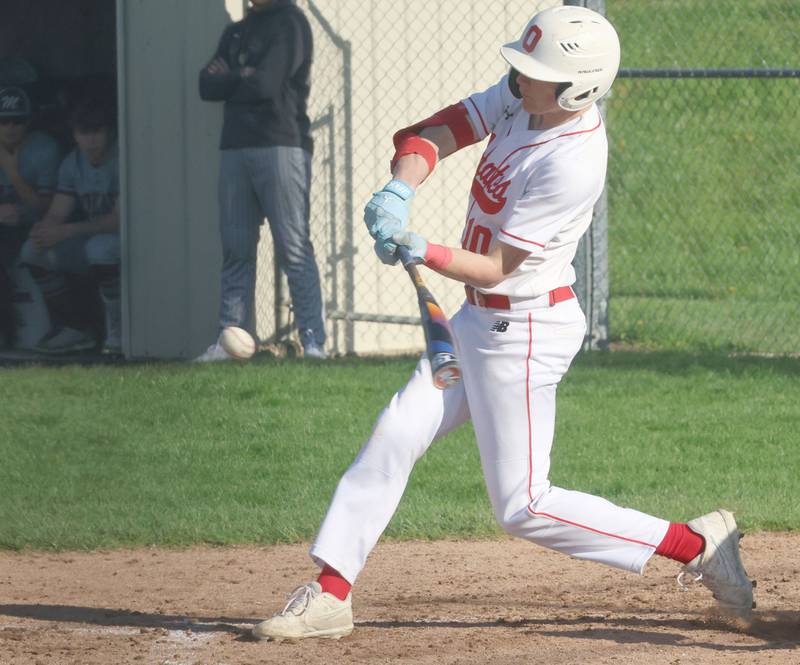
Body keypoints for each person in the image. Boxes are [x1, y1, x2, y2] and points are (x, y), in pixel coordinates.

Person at [251, 6, 755, 641]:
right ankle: (330, 592)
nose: (518, 76)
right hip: (476, 323)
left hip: (523, 333)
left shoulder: (572, 161)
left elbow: (493, 267)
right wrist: (401, 188)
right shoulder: (526, 97)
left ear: (579, 86)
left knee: (522, 506)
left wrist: (421, 248)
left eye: (535, 70)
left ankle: (699, 545)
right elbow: (444, 128)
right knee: (396, 432)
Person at [196, 0, 326, 362]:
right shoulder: (235, 31)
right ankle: (227, 342)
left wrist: (232, 77)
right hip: (235, 146)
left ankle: (314, 342)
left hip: (281, 144)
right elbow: (205, 85)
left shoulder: (290, 24)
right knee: (236, 247)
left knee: (293, 247)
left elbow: (267, 85)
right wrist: (244, 74)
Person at [20, 98, 121, 355]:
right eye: (84, 133)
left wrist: (65, 230)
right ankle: (74, 327)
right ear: (74, 134)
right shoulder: (72, 162)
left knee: (99, 248)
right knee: (33, 250)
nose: (91, 140)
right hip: (90, 238)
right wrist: (44, 229)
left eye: (96, 131)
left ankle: (118, 330)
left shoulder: (121, 157)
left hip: (124, 240)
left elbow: (118, 220)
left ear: (108, 131)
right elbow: (57, 212)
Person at [0, 85, 61, 348]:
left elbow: (46, 209)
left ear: (29, 121)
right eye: (3, 120)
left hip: (35, 227)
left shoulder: (44, 148)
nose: (10, 127)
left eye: (18, 120)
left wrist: (13, 173)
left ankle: (64, 327)